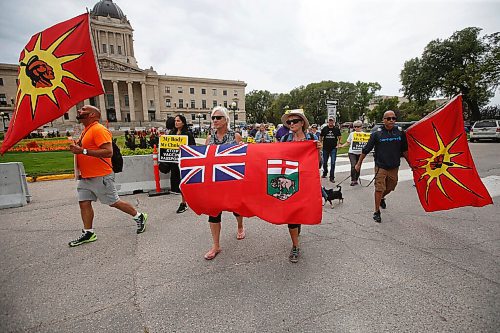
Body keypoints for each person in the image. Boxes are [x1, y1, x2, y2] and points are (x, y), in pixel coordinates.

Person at [68, 105, 148, 247]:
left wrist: (83, 151)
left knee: (113, 202)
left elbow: (108, 152)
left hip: (101, 175)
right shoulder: (86, 130)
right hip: (86, 176)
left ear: (92, 114)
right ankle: (88, 232)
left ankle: (139, 216)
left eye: (83, 109)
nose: (79, 111)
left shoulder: (99, 129)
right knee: (84, 202)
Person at [203, 106, 245, 260]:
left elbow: (244, 158)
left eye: (218, 117)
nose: (215, 120)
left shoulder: (236, 136)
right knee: (213, 213)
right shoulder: (209, 139)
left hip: (231, 180)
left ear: (226, 119)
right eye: (213, 118)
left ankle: (240, 225)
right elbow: (205, 161)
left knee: (236, 208)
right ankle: (216, 245)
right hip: (214, 183)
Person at [280, 109, 321, 263]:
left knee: (300, 211)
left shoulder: (312, 138)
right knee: (292, 214)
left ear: (302, 123)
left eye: (294, 121)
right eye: (289, 122)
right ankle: (295, 246)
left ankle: (297, 229)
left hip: (306, 181)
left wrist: (318, 151)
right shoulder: (284, 138)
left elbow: (318, 164)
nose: (291, 124)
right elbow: (274, 156)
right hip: (289, 180)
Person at [355, 110, 410, 223]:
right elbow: (366, 149)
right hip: (381, 166)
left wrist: (411, 164)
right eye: (388, 118)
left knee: (391, 186)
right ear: (383, 120)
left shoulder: (400, 133)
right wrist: (359, 163)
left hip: (394, 166)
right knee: (379, 188)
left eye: (393, 118)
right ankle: (376, 212)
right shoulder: (377, 134)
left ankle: (381, 198)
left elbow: (405, 150)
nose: (391, 120)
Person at [169, 115, 196, 213]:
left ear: (183, 122)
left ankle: (184, 203)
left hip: (184, 161)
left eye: (178, 121)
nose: (176, 122)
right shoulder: (172, 133)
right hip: (174, 162)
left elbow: (193, 147)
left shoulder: (188, 134)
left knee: (183, 182)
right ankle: (184, 201)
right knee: (177, 182)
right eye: (175, 121)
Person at [339, 120, 365, 186]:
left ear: (361, 127)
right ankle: (353, 180)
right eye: (355, 127)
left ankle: (356, 178)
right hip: (352, 153)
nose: (356, 128)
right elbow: (348, 142)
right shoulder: (352, 134)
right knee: (353, 166)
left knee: (358, 166)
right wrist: (342, 146)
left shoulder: (364, 135)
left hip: (360, 153)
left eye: (358, 127)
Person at [320, 117, 342, 182]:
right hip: (325, 148)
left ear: (334, 122)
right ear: (328, 122)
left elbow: (339, 137)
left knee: (333, 162)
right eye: (329, 121)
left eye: (332, 121)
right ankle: (325, 172)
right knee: (324, 162)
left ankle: (332, 177)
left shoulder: (336, 129)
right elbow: (321, 136)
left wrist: (339, 144)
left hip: (333, 148)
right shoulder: (324, 129)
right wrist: (320, 143)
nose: (331, 122)